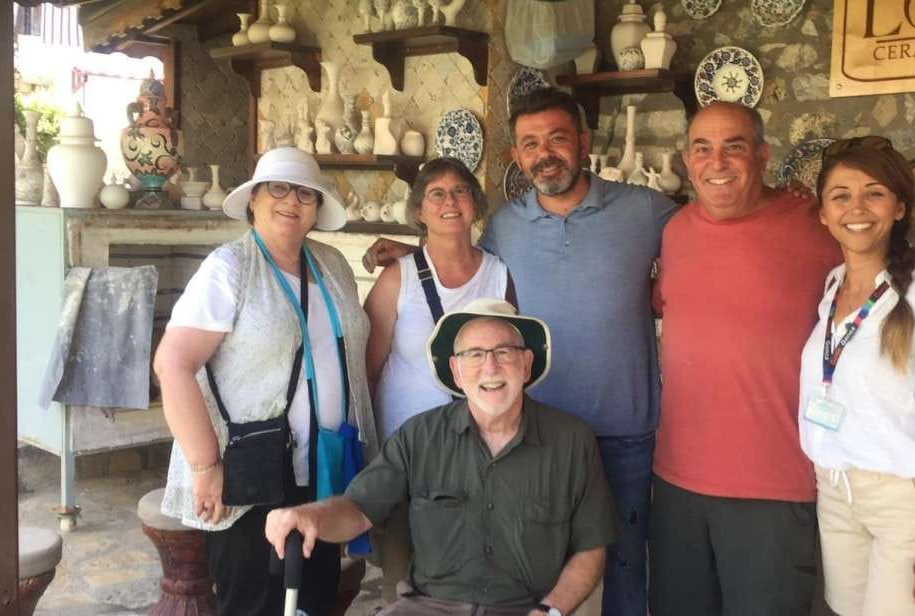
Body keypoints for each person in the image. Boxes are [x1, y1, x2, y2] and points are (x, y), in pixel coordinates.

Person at [648, 103, 915, 615]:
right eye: (702, 148)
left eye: (734, 147)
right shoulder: (675, 232)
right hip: (684, 478)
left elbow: (887, 262)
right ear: (686, 160)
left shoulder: (810, 225)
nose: (717, 162)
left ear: (762, 155)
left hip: (778, 483)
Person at [363, 88, 678, 615]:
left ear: (583, 141)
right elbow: (457, 254)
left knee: (623, 561)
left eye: (557, 138)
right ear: (516, 155)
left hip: (622, 428)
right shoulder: (506, 226)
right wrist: (411, 255)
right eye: (530, 144)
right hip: (534, 435)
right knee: (534, 567)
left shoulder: (644, 209)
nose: (544, 153)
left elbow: (706, 233)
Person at [264, 299, 617, 616]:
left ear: (526, 365)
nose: (490, 367)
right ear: (456, 372)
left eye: (504, 352)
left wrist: (550, 611)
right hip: (427, 607)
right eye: (474, 355)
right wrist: (310, 516)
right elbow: (358, 509)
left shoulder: (572, 441)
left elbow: (592, 548)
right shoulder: (418, 436)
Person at [154, 147, 376, 616]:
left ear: (317, 209)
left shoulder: (332, 264)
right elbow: (172, 364)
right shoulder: (229, 268)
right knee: (254, 602)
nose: (291, 201)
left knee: (315, 600)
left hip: (322, 468)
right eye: (278, 188)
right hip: (252, 473)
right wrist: (204, 466)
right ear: (253, 199)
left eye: (305, 194)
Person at [801, 136, 915, 615]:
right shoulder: (832, 287)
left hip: (902, 502)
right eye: (841, 195)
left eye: (873, 193)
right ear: (823, 214)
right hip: (835, 490)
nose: (856, 208)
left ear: (898, 208)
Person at [363, 157, 513, 601]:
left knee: (469, 568)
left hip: (478, 455)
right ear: (419, 211)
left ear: (476, 204)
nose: (450, 201)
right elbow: (367, 370)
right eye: (437, 194)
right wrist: (373, 454)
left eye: (460, 191)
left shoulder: (499, 275)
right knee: (403, 574)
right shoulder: (398, 278)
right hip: (406, 452)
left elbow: (510, 362)